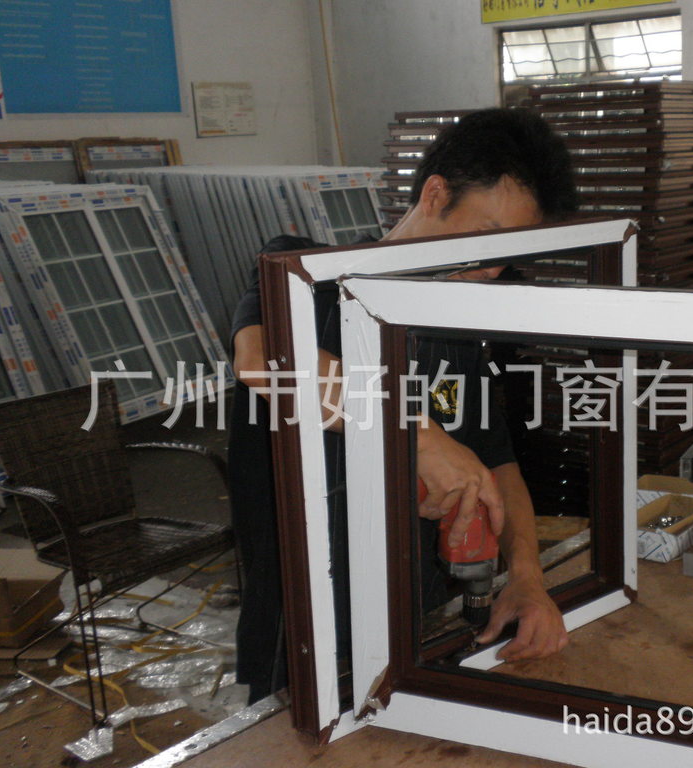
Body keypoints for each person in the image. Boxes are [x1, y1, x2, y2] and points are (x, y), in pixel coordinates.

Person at [228, 108, 578, 703]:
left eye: (507, 253)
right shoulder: (305, 275)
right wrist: (418, 437)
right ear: (435, 194)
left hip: (417, 620)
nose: (491, 269)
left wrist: (525, 575)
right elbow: (265, 361)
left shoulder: (457, 331)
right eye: (483, 238)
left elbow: (497, 461)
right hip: (308, 635)